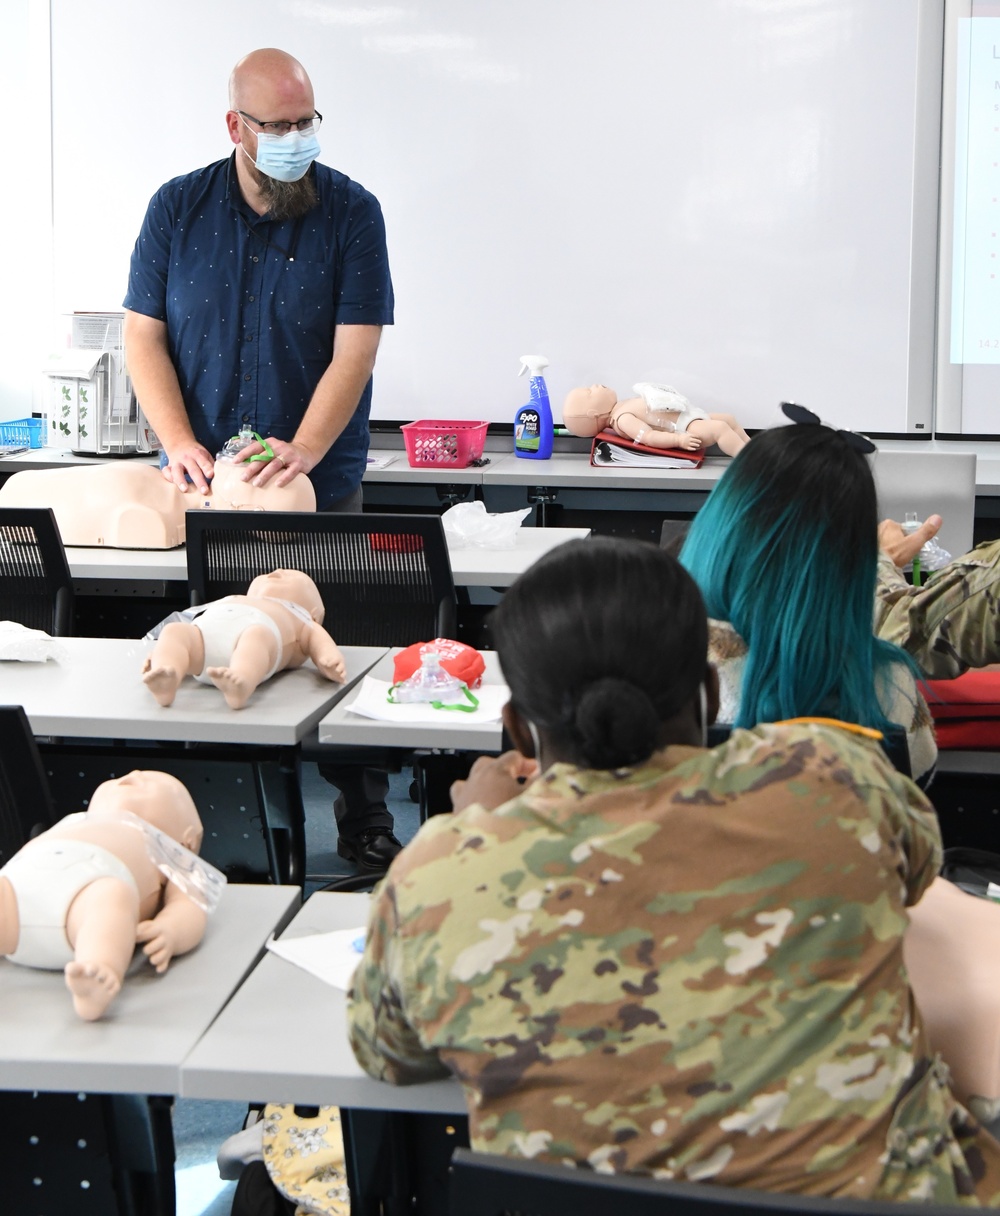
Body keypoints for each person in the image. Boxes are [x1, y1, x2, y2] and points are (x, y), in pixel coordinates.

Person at [347, 537, 1000, 1202]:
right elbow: (917, 870)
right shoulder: (832, 777)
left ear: (516, 729)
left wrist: (474, 829)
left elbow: (388, 1053)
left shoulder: (440, 873)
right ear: (710, 693)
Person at [122, 47, 398, 867]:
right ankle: (216, 825)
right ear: (236, 126)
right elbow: (144, 334)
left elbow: (355, 351)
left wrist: (305, 451)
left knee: (332, 646)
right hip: (206, 486)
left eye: (305, 123)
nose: (293, 140)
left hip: (315, 483)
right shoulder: (177, 208)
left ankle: (364, 818)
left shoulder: (353, 212)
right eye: (276, 126)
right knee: (211, 640)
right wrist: (177, 441)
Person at [677, 420, 936, 782]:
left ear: (721, 523)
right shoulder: (888, 681)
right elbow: (918, 785)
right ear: (853, 557)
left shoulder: (666, 664)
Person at [0, 770, 208, 1020]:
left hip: (90, 893)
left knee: (112, 900)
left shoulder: (172, 853)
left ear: (187, 841)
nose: (134, 774)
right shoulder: (75, 821)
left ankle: (98, 971)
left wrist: (170, 931)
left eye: (155, 783)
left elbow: (190, 905)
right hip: (17, 886)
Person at [142, 568, 346, 709]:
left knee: (256, 638)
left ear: (315, 614)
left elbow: (321, 643)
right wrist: (163, 653)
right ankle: (168, 675)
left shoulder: (304, 619)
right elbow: (178, 638)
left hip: (257, 634)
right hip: (204, 640)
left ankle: (241, 681)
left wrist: (328, 660)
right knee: (175, 632)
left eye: (292, 575)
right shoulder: (237, 599)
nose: (279, 571)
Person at [0, 459, 316, 548]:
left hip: (14, 510)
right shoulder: (160, 486)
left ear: (247, 512)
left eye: (257, 478)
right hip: (14, 503)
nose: (245, 463)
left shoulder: (152, 522)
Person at [562, 382, 750, 456]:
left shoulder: (623, 406)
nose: (594, 385)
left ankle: (756, 449)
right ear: (593, 413)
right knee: (720, 429)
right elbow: (649, 436)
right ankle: (749, 460)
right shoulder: (623, 419)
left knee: (728, 419)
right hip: (686, 428)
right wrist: (678, 439)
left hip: (690, 416)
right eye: (589, 391)